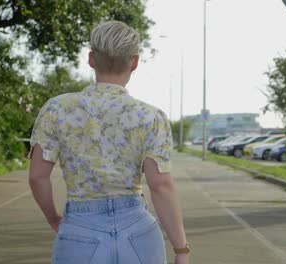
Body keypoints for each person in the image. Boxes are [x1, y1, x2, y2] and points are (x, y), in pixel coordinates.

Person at [28, 20, 189, 264]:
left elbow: (37, 176)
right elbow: (160, 186)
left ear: (91, 59)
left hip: (79, 230)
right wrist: (181, 249)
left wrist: (53, 217)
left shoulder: (57, 109)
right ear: (134, 63)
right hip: (139, 232)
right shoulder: (150, 117)